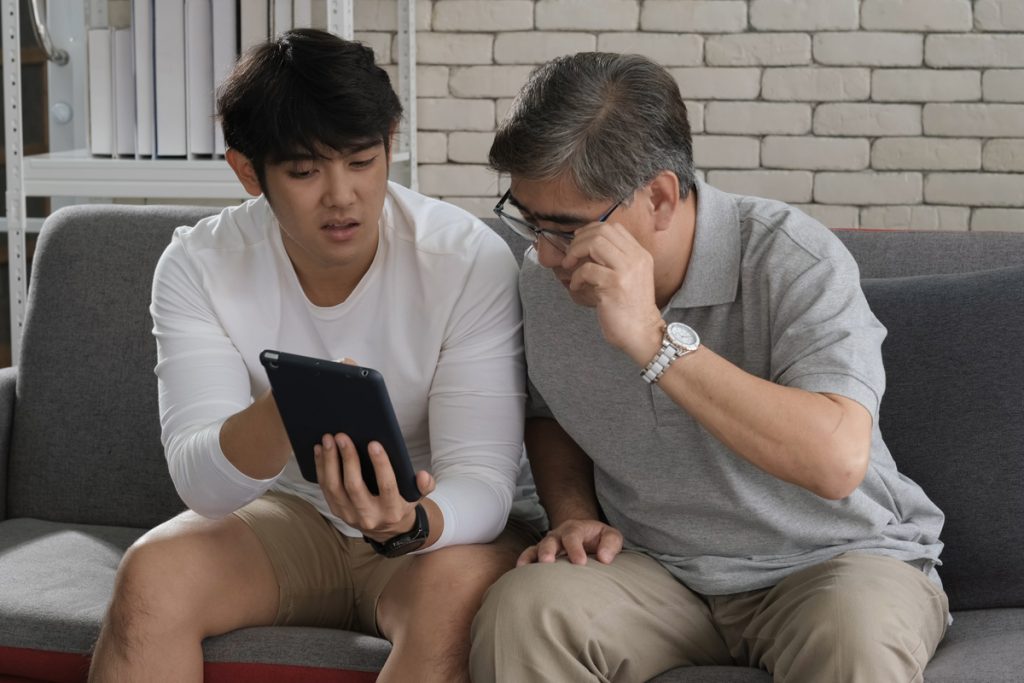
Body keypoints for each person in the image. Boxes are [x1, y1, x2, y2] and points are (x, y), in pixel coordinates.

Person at [469, 52, 948, 683]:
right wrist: (573, 513)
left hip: (832, 563)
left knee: (853, 639)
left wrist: (651, 337)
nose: (544, 252)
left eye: (564, 229)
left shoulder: (793, 259)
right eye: (529, 222)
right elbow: (549, 413)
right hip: (655, 570)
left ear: (660, 196)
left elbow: (836, 461)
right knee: (524, 611)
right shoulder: (546, 279)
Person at [89, 29, 542, 683]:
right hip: (294, 514)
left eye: (362, 161)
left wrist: (410, 520)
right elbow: (203, 484)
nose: (342, 196)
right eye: (304, 171)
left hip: (439, 527)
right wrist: (291, 405)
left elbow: (486, 484)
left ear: (390, 142)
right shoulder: (197, 265)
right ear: (248, 171)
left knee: (451, 601)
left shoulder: (466, 259)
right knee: (152, 573)